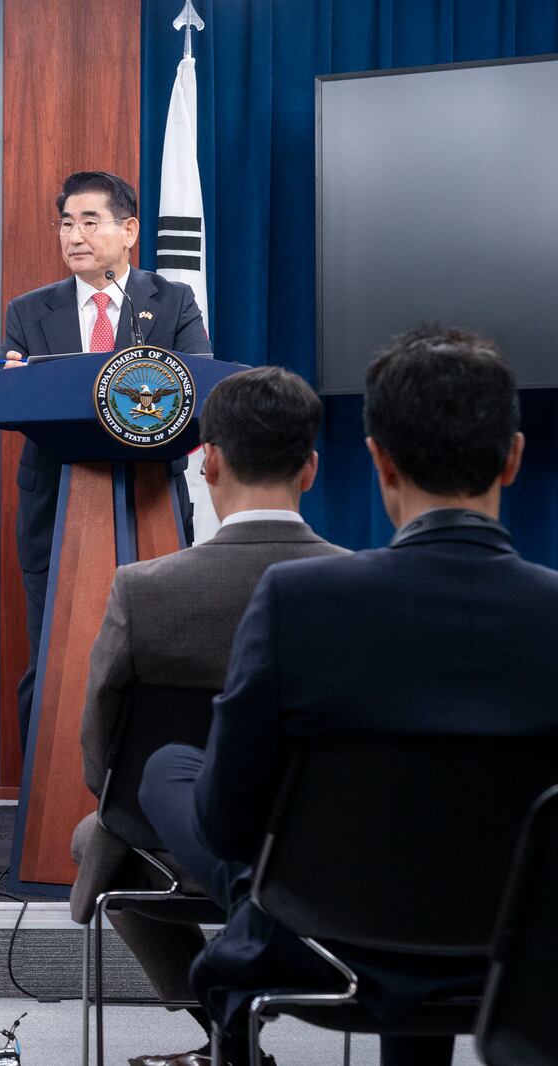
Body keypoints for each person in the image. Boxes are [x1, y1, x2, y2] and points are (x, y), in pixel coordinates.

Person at [139, 326, 557, 1066]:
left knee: (174, 768)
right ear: (514, 457)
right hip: (524, 950)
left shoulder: (301, 603)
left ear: (379, 461)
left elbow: (227, 820)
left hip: (325, 944)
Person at [70, 367, 344, 1066]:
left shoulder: (145, 591)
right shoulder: (359, 589)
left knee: (101, 835)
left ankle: (224, 1030)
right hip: (327, 855)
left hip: (180, 848)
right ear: (310, 469)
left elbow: (101, 762)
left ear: (209, 459)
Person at [0, 171, 211, 765]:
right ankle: (41, 809)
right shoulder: (29, 310)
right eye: (66, 222)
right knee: (55, 659)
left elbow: (198, 385)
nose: (75, 235)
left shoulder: (172, 301)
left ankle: (148, 802)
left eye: (90, 221)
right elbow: (15, 399)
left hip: (148, 500)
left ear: (130, 230)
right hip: (56, 503)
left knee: (153, 656)